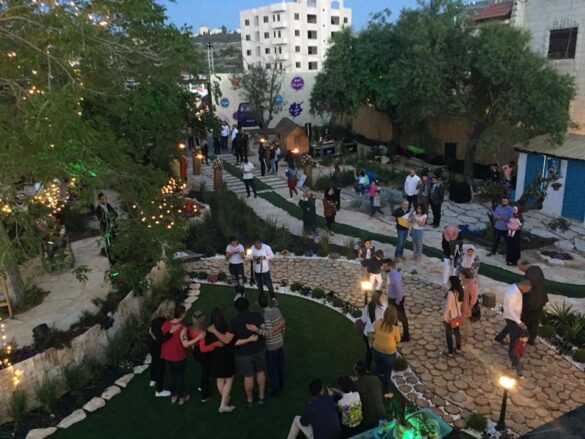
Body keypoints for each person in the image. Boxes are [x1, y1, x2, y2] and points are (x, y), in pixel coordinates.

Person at [161, 305, 205, 405]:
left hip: (168, 355)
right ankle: (181, 397)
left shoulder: (165, 324)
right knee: (179, 376)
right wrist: (198, 337)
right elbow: (185, 344)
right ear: (181, 315)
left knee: (172, 375)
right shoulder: (182, 328)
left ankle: (173, 396)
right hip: (179, 356)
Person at [247, 295, 285, 397]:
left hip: (271, 347)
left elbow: (269, 333)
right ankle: (281, 383)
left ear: (260, 305)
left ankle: (275, 389)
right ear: (268, 301)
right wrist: (280, 332)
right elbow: (282, 323)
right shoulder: (276, 310)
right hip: (280, 343)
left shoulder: (265, 316)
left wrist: (256, 330)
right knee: (279, 365)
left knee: (273, 368)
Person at [494, 280, 532, 377]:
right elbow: (510, 311)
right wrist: (519, 322)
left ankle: (499, 337)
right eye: (527, 290)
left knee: (509, 328)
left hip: (514, 317)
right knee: (514, 341)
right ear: (523, 286)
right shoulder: (512, 294)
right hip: (511, 317)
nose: (527, 292)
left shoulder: (516, 288)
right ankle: (515, 363)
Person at [207, 308, 236, 413]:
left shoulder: (209, 329)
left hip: (215, 357)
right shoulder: (227, 327)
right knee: (229, 379)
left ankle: (225, 398)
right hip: (226, 357)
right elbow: (227, 341)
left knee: (220, 379)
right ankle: (223, 405)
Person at [188, 310, 220, 403]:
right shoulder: (201, 333)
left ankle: (202, 386)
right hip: (202, 354)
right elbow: (203, 349)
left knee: (206, 369)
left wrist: (193, 345)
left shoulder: (189, 328)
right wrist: (215, 344)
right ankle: (204, 394)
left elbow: (190, 340)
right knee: (205, 373)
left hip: (196, 351)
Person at [372, 306, 401, 398]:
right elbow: (398, 340)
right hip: (389, 353)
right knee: (387, 374)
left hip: (377, 349)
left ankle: (374, 387)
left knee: (376, 368)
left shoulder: (377, 323)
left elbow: (374, 331)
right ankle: (386, 393)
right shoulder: (395, 329)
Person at [148, 300, 175, 397]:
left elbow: (153, 333)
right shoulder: (161, 323)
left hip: (151, 345)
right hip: (158, 349)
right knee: (160, 368)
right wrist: (170, 333)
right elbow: (160, 339)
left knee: (153, 362)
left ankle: (152, 379)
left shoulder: (155, 318)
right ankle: (159, 391)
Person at [517, 260, 548, 345]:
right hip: (541, 299)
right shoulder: (537, 268)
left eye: (520, 267)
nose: (519, 269)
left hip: (531, 302)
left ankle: (521, 337)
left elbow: (526, 288)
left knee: (525, 319)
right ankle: (532, 338)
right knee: (535, 321)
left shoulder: (529, 276)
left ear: (524, 265)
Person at [352, 361, 385, 431]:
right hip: (381, 411)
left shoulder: (356, 385)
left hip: (369, 417)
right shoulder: (375, 379)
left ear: (356, 372)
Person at [383, 259, 410, 341]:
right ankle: (395, 335)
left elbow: (400, 291)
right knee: (393, 318)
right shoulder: (390, 273)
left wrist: (398, 302)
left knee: (402, 318)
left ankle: (406, 336)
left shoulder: (395, 276)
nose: (383, 268)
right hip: (391, 299)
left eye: (385, 266)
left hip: (396, 300)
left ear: (390, 266)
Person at [360, 290, 387, 371]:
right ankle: (380, 369)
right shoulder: (384, 308)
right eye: (382, 296)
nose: (384, 297)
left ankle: (368, 368)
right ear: (379, 298)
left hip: (367, 333)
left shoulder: (367, 307)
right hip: (378, 334)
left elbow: (363, 320)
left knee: (369, 351)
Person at [248, 240, 277, 304]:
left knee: (269, 284)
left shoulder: (267, 247)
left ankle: (273, 298)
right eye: (256, 246)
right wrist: (253, 257)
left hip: (265, 270)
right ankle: (261, 299)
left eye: (258, 246)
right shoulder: (253, 247)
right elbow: (250, 256)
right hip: (257, 270)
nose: (257, 248)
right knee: (259, 285)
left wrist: (264, 257)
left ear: (261, 244)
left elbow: (272, 256)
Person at [442, 276, 464, 358]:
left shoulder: (451, 293)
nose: (448, 283)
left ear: (452, 283)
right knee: (457, 333)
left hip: (450, 318)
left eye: (449, 281)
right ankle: (458, 349)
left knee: (449, 335)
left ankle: (450, 352)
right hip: (457, 316)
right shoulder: (459, 291)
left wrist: (444, 317)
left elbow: (448, 307)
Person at [95, 192, 118, 260]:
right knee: (109, 242)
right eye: (103, 199)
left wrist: (113, 216)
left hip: (113, 227)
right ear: (99, 200)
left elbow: (115, 214)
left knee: (115, 241)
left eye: (105, 198)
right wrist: (107, 218)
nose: (105, 200)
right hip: (106, 228)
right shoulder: (98, 209)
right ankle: (111, 258)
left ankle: (118, 255)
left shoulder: (108, 205)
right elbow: (101, 219)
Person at [459, 268, 479, 337]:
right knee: (464, 319)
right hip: (462, 303)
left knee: (465, 319)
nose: (459, 275)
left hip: (467, 306)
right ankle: (466, 331)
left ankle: (465, 332)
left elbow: (474, 299)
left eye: (461, 274)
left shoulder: (472, 286)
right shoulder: (464, 281)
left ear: (464, 275)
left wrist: (469, 309)